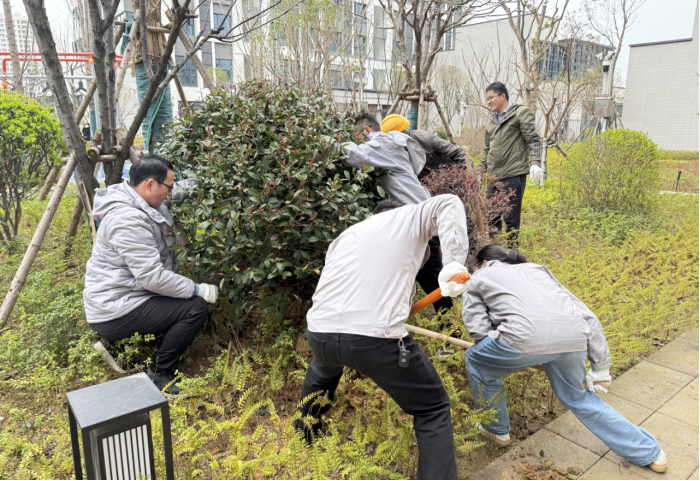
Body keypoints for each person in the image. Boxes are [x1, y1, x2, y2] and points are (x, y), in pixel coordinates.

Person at [295, 195, 471, 480]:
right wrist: (453, 264)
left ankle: (304, 439)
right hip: (375, 340)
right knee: (432, 407)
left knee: (321, 374)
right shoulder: (408, 217)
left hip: (320, 331)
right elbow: (448, 203)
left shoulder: (347, 235)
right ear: (399, 211)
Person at [461, 245, 668, 474]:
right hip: (574, 337)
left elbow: (478, 330)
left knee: (476, 360)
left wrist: (515, 349)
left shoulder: (478, 277)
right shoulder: (536, 269)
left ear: (482, 263)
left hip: (523, 339)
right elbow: (587, 315)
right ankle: (648, 452)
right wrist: (601, 368)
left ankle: (495, 429)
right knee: (577, 396)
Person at [83, 155, 219, 397]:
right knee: (194, 307)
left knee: (176, 300)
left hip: (118, 300)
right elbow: (152, 277)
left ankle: (116, 349)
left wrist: (212, 180)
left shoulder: (140, 197)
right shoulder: (127, 220)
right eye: (168, 186)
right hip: (114, 309)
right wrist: (198, 289)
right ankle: (160, 374)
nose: (171, 192)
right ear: (150, 184)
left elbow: (175, 193)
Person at [338, 111, 453, 314]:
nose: (358, 142)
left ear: (366, 131)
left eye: (357, 137)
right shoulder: (390, 145)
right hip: (417, 216)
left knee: (430, 277)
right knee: (410, 274)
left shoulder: (383, 143)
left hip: (420, 218)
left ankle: (450, 321)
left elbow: (355, 155)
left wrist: (326, 143)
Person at [481, 82, 543, 244]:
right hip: (493, 176)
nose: (488, 102)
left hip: (513, 173)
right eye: (487, 99)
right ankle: (495, 249)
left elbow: (533, 139)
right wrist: (480, 171)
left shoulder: (520, 113)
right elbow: (487, 149)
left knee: (511, 218)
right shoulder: (491, 121)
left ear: (503, 96)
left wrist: (535, 162)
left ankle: (512, 250)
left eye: (491, 97)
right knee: (492, 216)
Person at [380, 113, 473, 178]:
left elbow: (459, 153)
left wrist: (470, 176)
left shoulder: (426, 139)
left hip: (450, 180)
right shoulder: (395, 152)